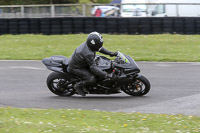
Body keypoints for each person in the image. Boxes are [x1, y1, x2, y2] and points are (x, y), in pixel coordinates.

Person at [67, 32, 118, 96]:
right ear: (94, 45)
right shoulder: (88, 53)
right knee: (91, 79)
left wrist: (111, 53)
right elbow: (93, 67)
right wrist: (106, 75)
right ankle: (78, 86)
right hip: (76, 67)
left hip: (82, 63)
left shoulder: (90, 46)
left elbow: (100, 48)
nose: (100, 45)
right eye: (98, 44)